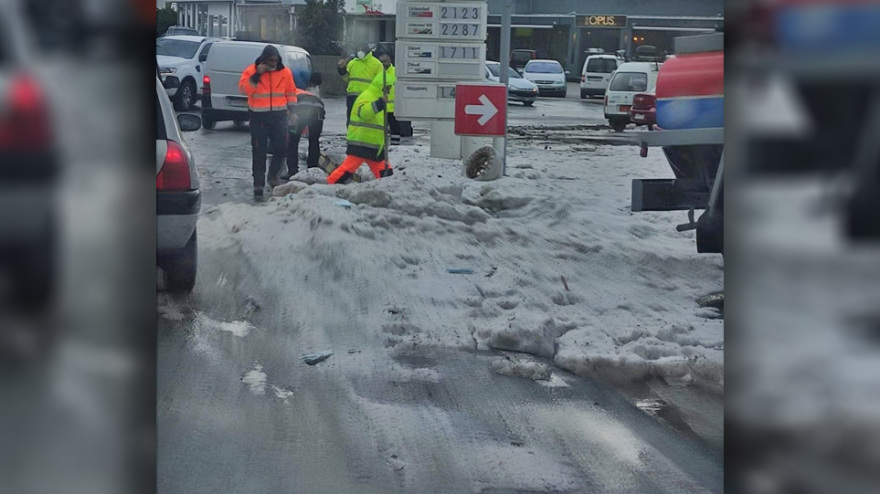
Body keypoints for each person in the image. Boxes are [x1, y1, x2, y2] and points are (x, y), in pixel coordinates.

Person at [238, 45, 298, 198]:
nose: (273, 63)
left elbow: (290, 92)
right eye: (270, 60)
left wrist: (293, 111)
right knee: (259, 151)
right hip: (258, 117)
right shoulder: (251, 71)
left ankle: (272, 176)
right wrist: (257, 75)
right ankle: (258, 184)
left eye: (275, 60)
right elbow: (245, 90)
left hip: (279, 116)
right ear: (264, 59)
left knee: (281, 148)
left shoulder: (285, 73)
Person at [327, 76, 394, 184]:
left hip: (372, 146)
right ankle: (329, 184)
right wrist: (379, 103)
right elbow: (364, 113)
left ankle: (390, 190)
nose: (389, 91)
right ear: (381, 86)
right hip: (362, 143)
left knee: (386, 174)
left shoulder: (374, 97)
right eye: (388, 88)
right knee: (347, 169)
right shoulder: (367, 96)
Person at [282, 72, 325, 179]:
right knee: (314, 140)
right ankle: (313, 170)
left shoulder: (290, 93)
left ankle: (292, 171)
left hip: (300, 109)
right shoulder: (310, 92)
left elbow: (286, 108)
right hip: (318, 110)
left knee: (293, 141)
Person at [337, 43, 382, 126]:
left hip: (368, 98)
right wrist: (342, 69)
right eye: (358, 50)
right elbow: (347, 78)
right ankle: (351, 136)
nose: (360, 52)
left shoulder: (376, 64)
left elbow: (381, 82)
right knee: (351, 120)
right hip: (352, 97)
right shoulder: (352, 63)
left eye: (362, 50)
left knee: (366, 120)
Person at [372, 53, 401, 145]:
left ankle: (396, 146)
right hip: (381, 107)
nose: (383, 64)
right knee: (380, 129)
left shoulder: (396, 72)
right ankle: (381, 146)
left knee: (395, 129)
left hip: (393, 108)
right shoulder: (376, 72)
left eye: (384, 61)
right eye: (381, 62)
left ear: (389, 61)